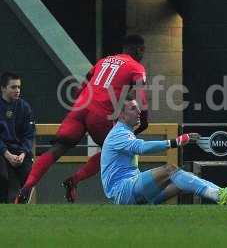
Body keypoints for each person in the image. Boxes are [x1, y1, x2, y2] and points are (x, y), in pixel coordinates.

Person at [16, 35, 149, 204]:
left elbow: (83, 85)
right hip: (100, 115)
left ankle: (26, 188)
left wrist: (79, 108)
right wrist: (144, 121)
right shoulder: (137, 67)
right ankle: (75, 180)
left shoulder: (104, 61)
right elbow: (142, 97)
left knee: (57, 149)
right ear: (140, 50)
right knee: (117, 151)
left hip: (80, 109)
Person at [101, 99, 227, 205]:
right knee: (170, 170)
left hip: (132, 192)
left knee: (180, 181)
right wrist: (176, 141)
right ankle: (220, 195)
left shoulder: (124, 132)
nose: (139, 112)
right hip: (123, 192)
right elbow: (141, 148)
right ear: (121, 114)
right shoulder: (118, 133)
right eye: (133, 109)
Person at [0, 72, 34, 203]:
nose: (17, 90)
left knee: (30, 174)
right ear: (3, 88)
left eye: (19, 87)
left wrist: (23, 153)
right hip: (2, 152)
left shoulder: (24, 107)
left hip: (20, 152)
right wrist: (7, 154)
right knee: (3, 175)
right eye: (13, 87)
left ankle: (22, 207)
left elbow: (29, 134)